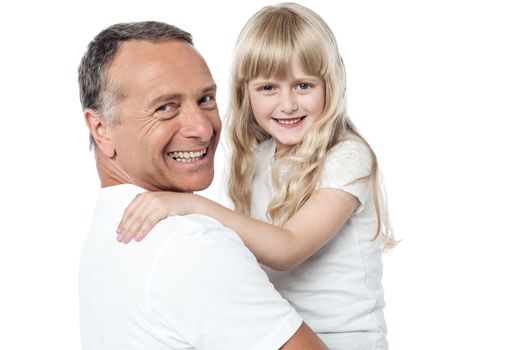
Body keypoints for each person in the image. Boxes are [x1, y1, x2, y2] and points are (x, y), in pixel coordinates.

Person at [116, 4, 397, 350]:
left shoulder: (347, 157)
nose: (288, 104)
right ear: (245, 91)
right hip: (280, 337)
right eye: (268, 88)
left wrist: (190, 204)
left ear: (331, 85)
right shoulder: (259, 158)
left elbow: (287, 248)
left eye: (304, 85)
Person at [78, 20, 327, 350]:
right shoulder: (190, 244)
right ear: (101, 129)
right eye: (166, 107)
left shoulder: (109, 231)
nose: (202, 128)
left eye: (206, 99)